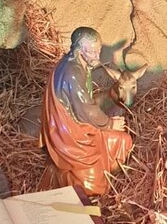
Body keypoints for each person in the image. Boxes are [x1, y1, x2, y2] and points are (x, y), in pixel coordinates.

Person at [41, 27, 133, 196]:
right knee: (93, 187)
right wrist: (110, 123)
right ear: (79, 50)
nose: (97, 57)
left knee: (123, 141)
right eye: (92, 52)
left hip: (80, 127)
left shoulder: (78, 66)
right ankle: (67, 178)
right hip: (71, 136)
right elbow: (86, 109)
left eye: (99, 51)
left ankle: (105, 173)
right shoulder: (72, 73)